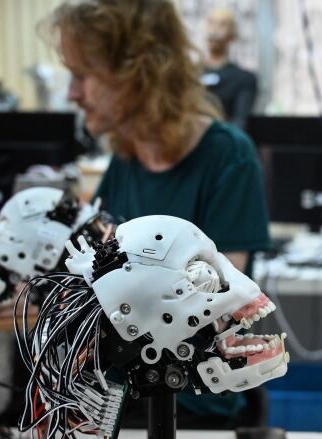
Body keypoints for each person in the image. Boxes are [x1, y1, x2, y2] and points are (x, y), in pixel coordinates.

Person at [49, 0, 271, 428]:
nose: (72, 94)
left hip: (189, 406)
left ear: (136, 73)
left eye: (82, 75)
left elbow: (212, 309)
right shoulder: (125, 161)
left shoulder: (229, 158)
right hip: (116, 398)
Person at [201, 7, 258, 130]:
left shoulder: (244, 79)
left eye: (222, 24)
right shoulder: (189, 75)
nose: (215, 29)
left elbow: (240, 121)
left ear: (232, 35)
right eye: (211, 23)